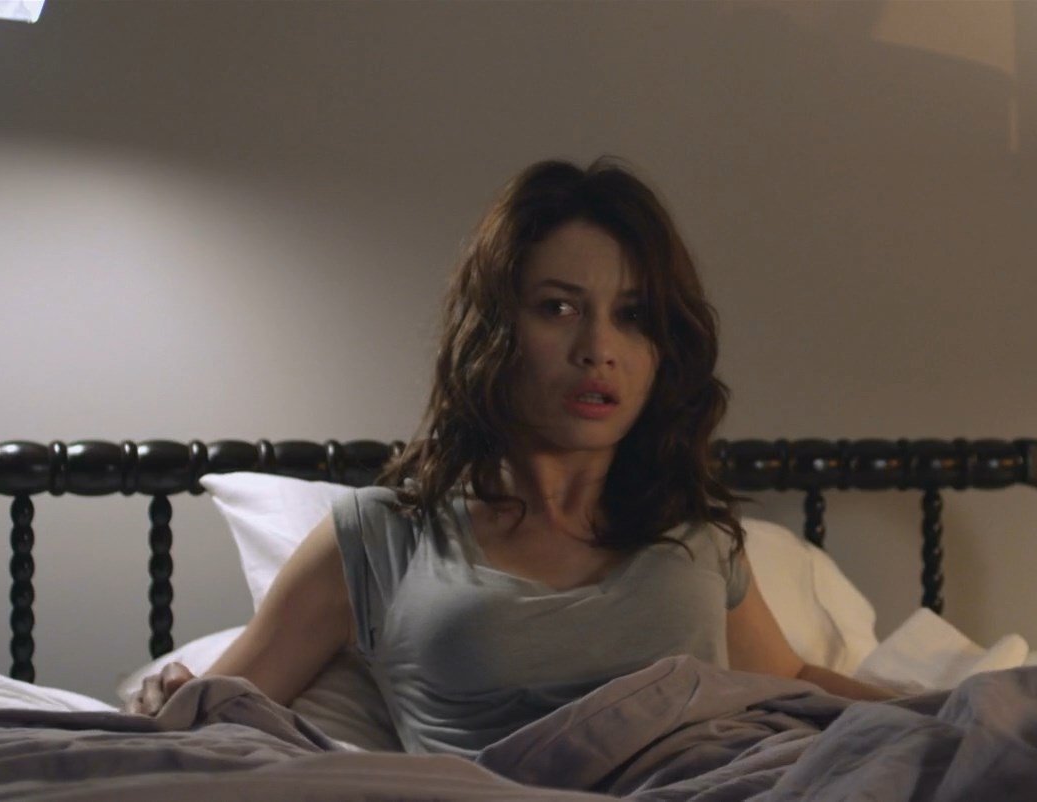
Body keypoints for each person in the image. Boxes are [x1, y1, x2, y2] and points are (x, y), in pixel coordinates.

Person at [125, 157, 893, 754]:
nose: (598, 349)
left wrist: (948, 713)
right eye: (558, 308)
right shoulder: (384, 535)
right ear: (496, 330)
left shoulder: (690, 531)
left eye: (631, 317)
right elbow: (215, 710)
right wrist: (171, 699)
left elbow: (791, 682)